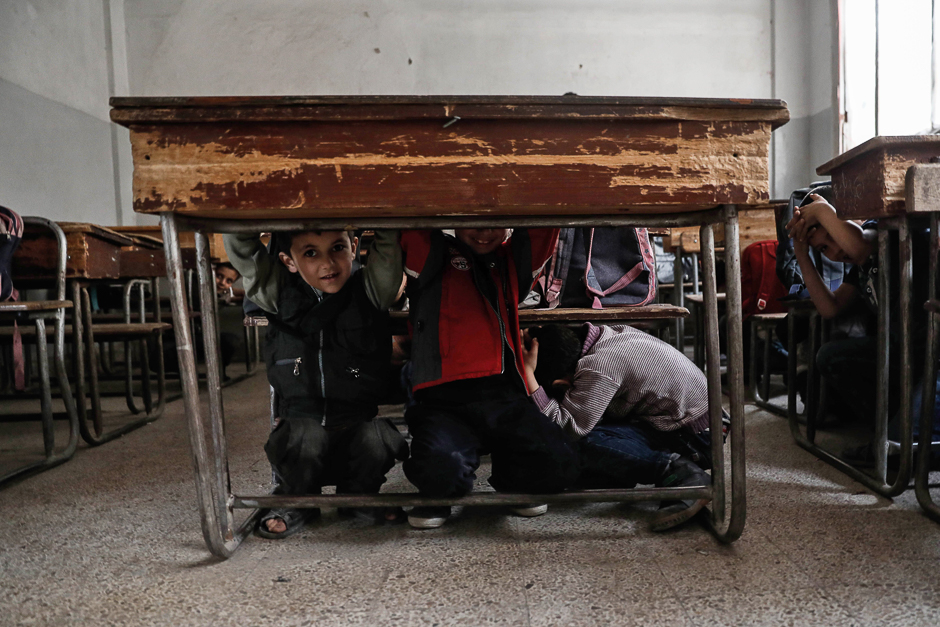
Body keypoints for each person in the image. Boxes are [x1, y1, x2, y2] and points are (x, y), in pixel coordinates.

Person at [224, 228, 408, 538]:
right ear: (288, 261)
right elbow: (241, 244)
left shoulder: (372, 289)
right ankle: (297, 500)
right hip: (302, 419)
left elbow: (389, 240)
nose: (327, 264)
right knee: (303, 439)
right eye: (310, 253)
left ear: (353, 248)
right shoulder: (275, 292)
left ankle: (360, 496)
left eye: (337, 248)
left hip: (356, 418)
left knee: (377, 440)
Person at [400, 228, 580, 529]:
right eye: (473, 222)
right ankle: (439, 493)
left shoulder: (509, 262)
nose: (484, 232)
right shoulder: (432, 255)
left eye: (494, 222)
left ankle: (513, 483)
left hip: (502, 395)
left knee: (561, 461)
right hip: (444, 400)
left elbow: (542, 229)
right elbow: (414, 218)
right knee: (441, 470)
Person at [522, 323, 716, 531]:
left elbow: (568, 427)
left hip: (695, 437)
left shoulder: (599, 366)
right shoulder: (607, 335)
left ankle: (683, 475)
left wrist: (529, 377)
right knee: (595, 428)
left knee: (586, 439)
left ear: (561, 383)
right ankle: (622, 474)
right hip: (696, 424)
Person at [787, 193, 931, 462]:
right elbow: (830, 308)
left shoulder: (881, 230)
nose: (836, 250)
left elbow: (858, 247)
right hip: (903, 350)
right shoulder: (859, 267)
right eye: (823, 249)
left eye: (832, 234)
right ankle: (889, 427)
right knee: (831, 356)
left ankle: (901, 434)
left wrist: (822, 211)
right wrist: (802, 255)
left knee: (907, 447)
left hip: (931, 349)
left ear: (859, 218)